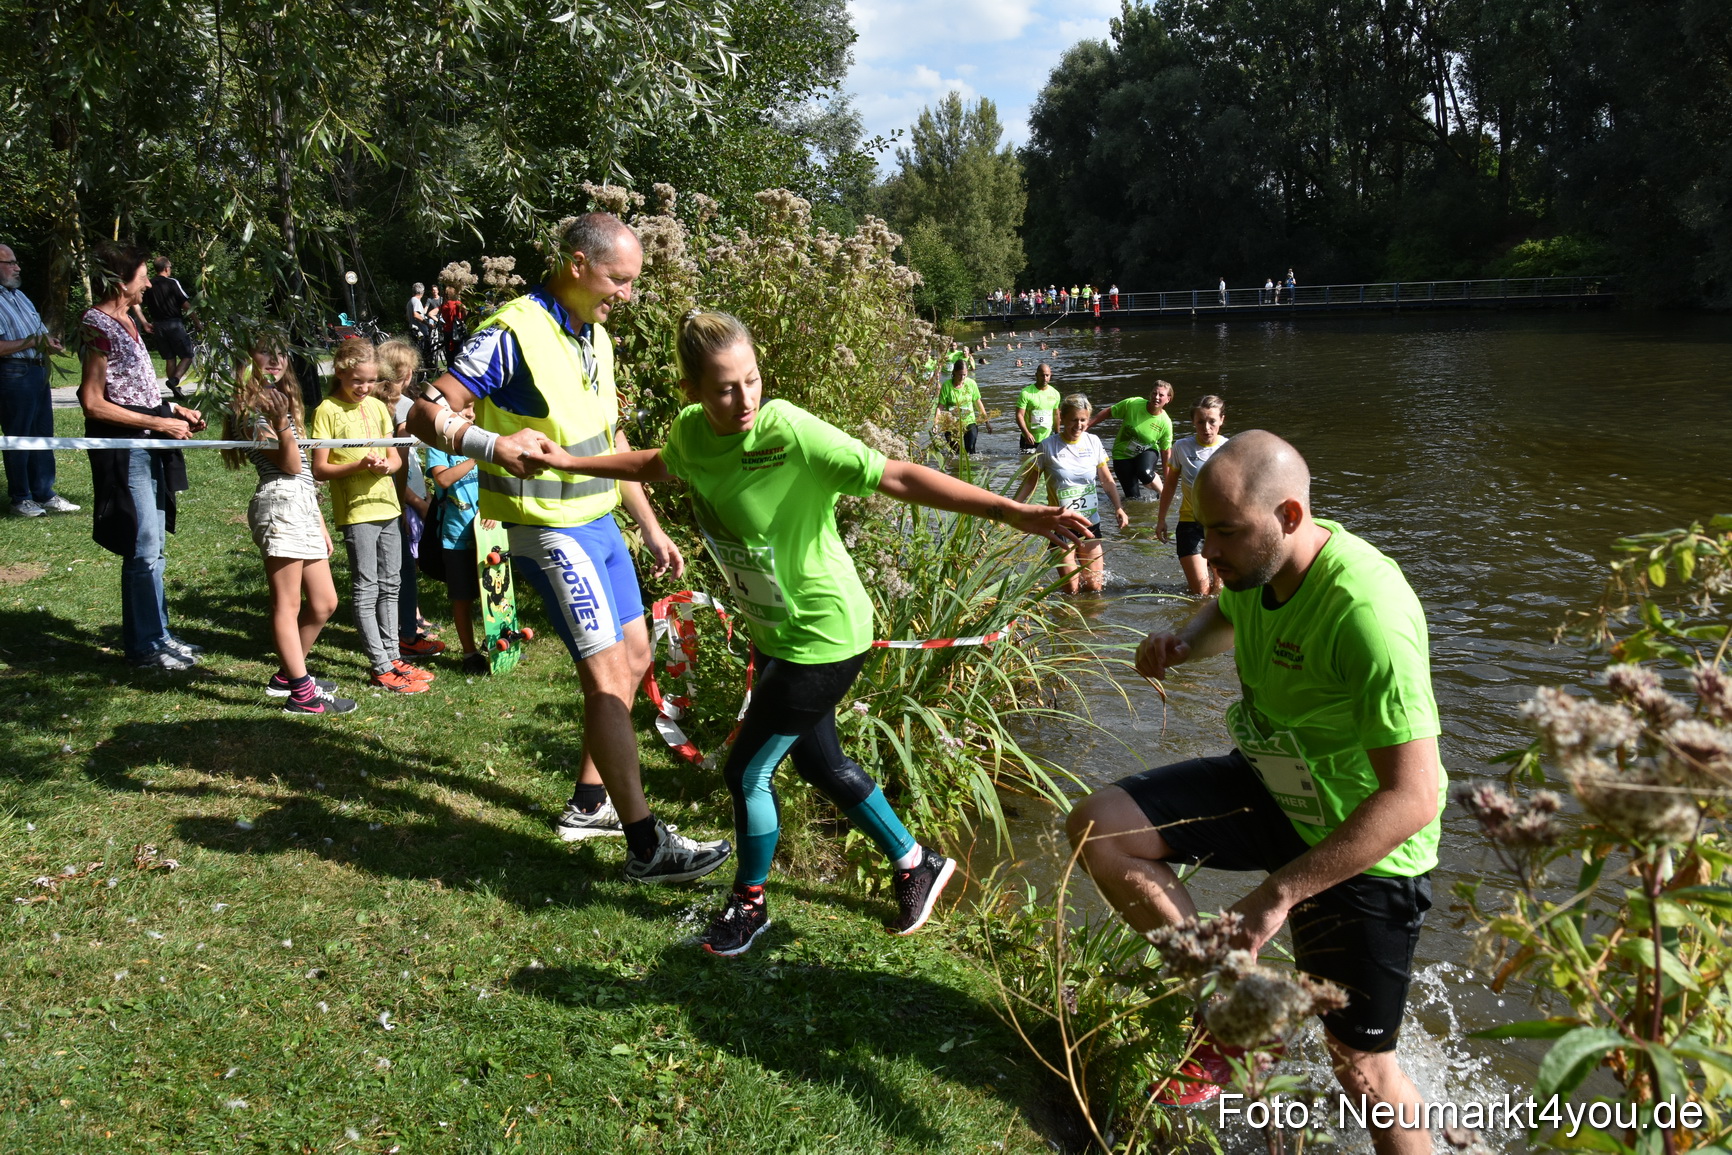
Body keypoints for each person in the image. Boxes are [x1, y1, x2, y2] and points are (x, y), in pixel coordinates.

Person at [520, 308, 1092, 954]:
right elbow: (660, 463)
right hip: (775, 631)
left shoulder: (788, 431)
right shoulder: (691, 433)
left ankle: (750, 902)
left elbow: (896, 475)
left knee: (746, 772)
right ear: (692, 391)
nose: (745, 400)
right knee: (821, 761)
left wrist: (1011, 511)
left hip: (825, 632)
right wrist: (572, 463)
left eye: (752, 380)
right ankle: (916, 862)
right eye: (725, 389)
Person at [1066, 431, 1445, 1153]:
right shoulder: (1255, 569)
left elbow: (1414, 798)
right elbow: (1229, 611)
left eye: (1227, 532)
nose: (1209, 552)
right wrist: (1184, 640)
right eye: (1204, 530)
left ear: (1290, 516)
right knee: (1100, 827)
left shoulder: (1367, 612)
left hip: (1364, 839)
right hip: (1275, 784)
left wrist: (1279, 894)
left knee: (1362, 1069)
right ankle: (1241, 1013)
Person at [406, 212, 731, 882]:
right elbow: (422, 411)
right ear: (577, 265)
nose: (628, 294)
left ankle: (589, 803)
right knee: (606, 677)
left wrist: (650, 525)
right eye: (619, 279)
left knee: (635, 658)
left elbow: (610, 442)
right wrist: (490, 444)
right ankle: (646, 846)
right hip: (547, 528)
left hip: (600, 523)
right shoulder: (512, 331)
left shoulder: (596, 336)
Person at [78, 240, 205, 670]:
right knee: (142, 545)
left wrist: (173, 411)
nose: (149, 284)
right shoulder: (95, 323)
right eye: (143, 276)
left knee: (156, 545)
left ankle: (160, 635)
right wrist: (159, 424)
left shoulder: (130, 320)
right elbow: (92, 402)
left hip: (150, 441)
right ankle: (144, 647)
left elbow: (133, 390)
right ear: (121, 280)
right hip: (127, 448)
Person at [221, 333, 354, 713]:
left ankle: (287, 675)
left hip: (302, 505)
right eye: (265, 352)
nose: (276, 360)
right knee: (288, 603)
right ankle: (301, 693)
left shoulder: (276, 402)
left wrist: (319, 521)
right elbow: (292, 465)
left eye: (281, 353)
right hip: (280, 504)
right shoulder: (249, 409)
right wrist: (281, 422)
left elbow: (303, 475)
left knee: (325, 602)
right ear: (247, 359)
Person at [310, 339, 426, 693]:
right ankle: (380, 665)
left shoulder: (377, 407)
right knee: (367, 587)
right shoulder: (326, 410)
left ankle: (393, 658)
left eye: (371, 381)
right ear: (340, 373)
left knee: (391, 584)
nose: (364, 387)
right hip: (357, 511)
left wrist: (387, 466)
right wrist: (359, 465)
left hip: (387, 506)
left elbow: (394, 458)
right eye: (357, 381)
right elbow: (320, 469)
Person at [1013, 393, 1127, 594]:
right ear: (1062, 418)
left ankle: (1090, 615)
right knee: (1071, 589)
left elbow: (1107, 479)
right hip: (1060, 525)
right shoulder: (1048, 446)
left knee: (1094, 587)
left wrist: (1118, 507)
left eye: (1083, 420)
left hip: (1089, 523)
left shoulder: (1093, 442)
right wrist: (1013, 509)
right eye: (1074, 420)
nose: (1078, 425)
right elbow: (1030, 481)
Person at [376, 339, 444, 660]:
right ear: (405, 373)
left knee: (392, 567)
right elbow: (400, 463)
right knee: (402, 566)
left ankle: (405, 625)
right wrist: (412, 504)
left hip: (386, 497)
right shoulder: (402, 408)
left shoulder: (371, 404)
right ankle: (405, 634)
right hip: (398, 499)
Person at [0, 243, 74, 518]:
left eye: (16, 262)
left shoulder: (20, 296)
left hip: (38, 371)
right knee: (19, 436)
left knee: (42, 434)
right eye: (10, 263)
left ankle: (44, 493)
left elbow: (39, 334)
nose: (17, 267)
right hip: (13, 373)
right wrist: (33, 341)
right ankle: (21, 498)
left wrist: (49, 343)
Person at [424, 401, 492, 676]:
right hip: (456, 536)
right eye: (463, 409)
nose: (470, 414)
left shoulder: (485, 438)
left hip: (489, 534)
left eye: (472, 408)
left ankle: (497, 642)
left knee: (495, 593)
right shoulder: (438, 445)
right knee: (463, 597)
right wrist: (474, 457)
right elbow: (442, 480)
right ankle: (470, 653)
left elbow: (498, 479)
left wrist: (494, 509)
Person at [1157, 394, 1228, 597]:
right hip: (1190, 524)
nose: (1206, 428)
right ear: (1193, 422)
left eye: (1212, 421)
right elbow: (1170, 484)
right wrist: (1161, 519)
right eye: (1200, 422)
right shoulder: (1181, 447)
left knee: (1219, 590)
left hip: (1220, 527)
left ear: (1221, 420)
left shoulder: (1230, 448)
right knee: (1201, 592)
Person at [1087, 379, 1174, 502]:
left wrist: (1168, 479)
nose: (1156, 397)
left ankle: (1164, 494)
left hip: (1147, 450)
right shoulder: (1133, 404)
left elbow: (1165, 452)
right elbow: (1109, 412)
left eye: (1161, 395)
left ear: (1168, 399)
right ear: (1150, 394)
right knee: (1133, 499)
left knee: (1145, 473)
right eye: (1154, 393)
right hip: (1122, 454)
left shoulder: (1165, 422)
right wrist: (1087, 425)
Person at [142, 257, 196, 400]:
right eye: (170, 267)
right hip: (174, 324)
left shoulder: (149, 284)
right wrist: (197, 321)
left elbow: (141, 302)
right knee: (188, 354)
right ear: (166, 268)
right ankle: (175, 380)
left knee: (170, 358)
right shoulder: (172, 283)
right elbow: (185, 304)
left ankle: (175, 391)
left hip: (158, 325)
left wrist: (144, 321)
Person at [935, 358, 991, 456]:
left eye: (964, 375)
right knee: (955, 452)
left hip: (969, 421)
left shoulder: (971, 384)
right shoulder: (947, 386)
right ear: (954, 372)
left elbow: (978, 404)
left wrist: (987, 422)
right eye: (960, 374)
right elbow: (940, 407)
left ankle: (971, 464)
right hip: (952, 422)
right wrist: (936, 423)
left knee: (970, 449)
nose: (962, 377)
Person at [1015, 362, 1061, 453]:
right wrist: (1026, 433)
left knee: (1047, 462)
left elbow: (1056, 415)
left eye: (1047, 375)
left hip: (1047, 438)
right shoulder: (1026, 393)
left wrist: (1057, 434)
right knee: (1027, 462)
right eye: (1042, 375)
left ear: (1050, 375)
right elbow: (1019, 415)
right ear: (1036, 375)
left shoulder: (1055, 393)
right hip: (1029, 439)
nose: (1045, 378)